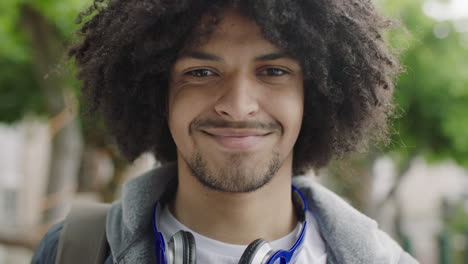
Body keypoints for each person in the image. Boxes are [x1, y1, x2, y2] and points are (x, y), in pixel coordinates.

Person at [32, 0, 419, 263]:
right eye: (201, 73)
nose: (237, 105)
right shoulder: (73, 250)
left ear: (313, 97)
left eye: (273, 72)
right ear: (157, 95)